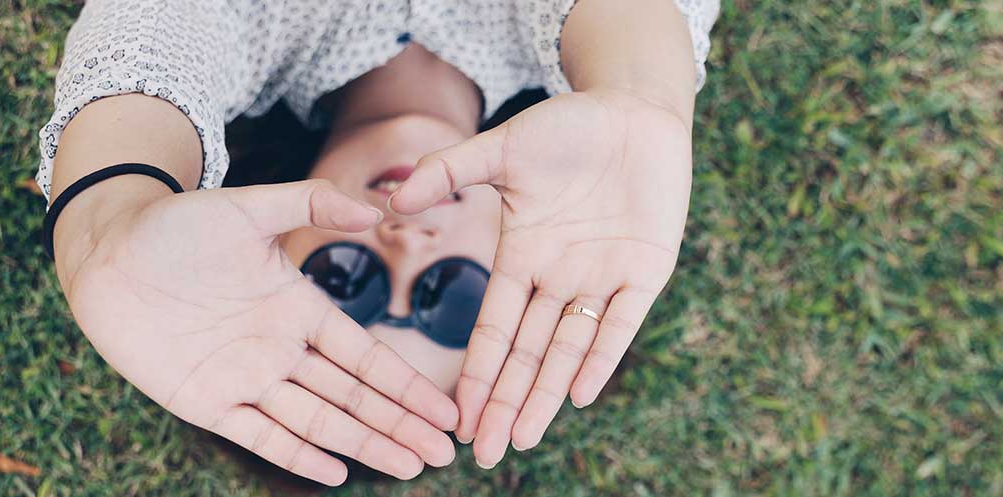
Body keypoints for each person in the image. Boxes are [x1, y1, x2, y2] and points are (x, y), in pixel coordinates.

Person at [38, 0, 720, 486]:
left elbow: (162, 33)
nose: (407, 245)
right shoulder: (575, 55)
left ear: (272, 245)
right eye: (451, 293)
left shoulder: (257, 27)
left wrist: (104, 218)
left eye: (344, 278)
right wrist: (642, 90)